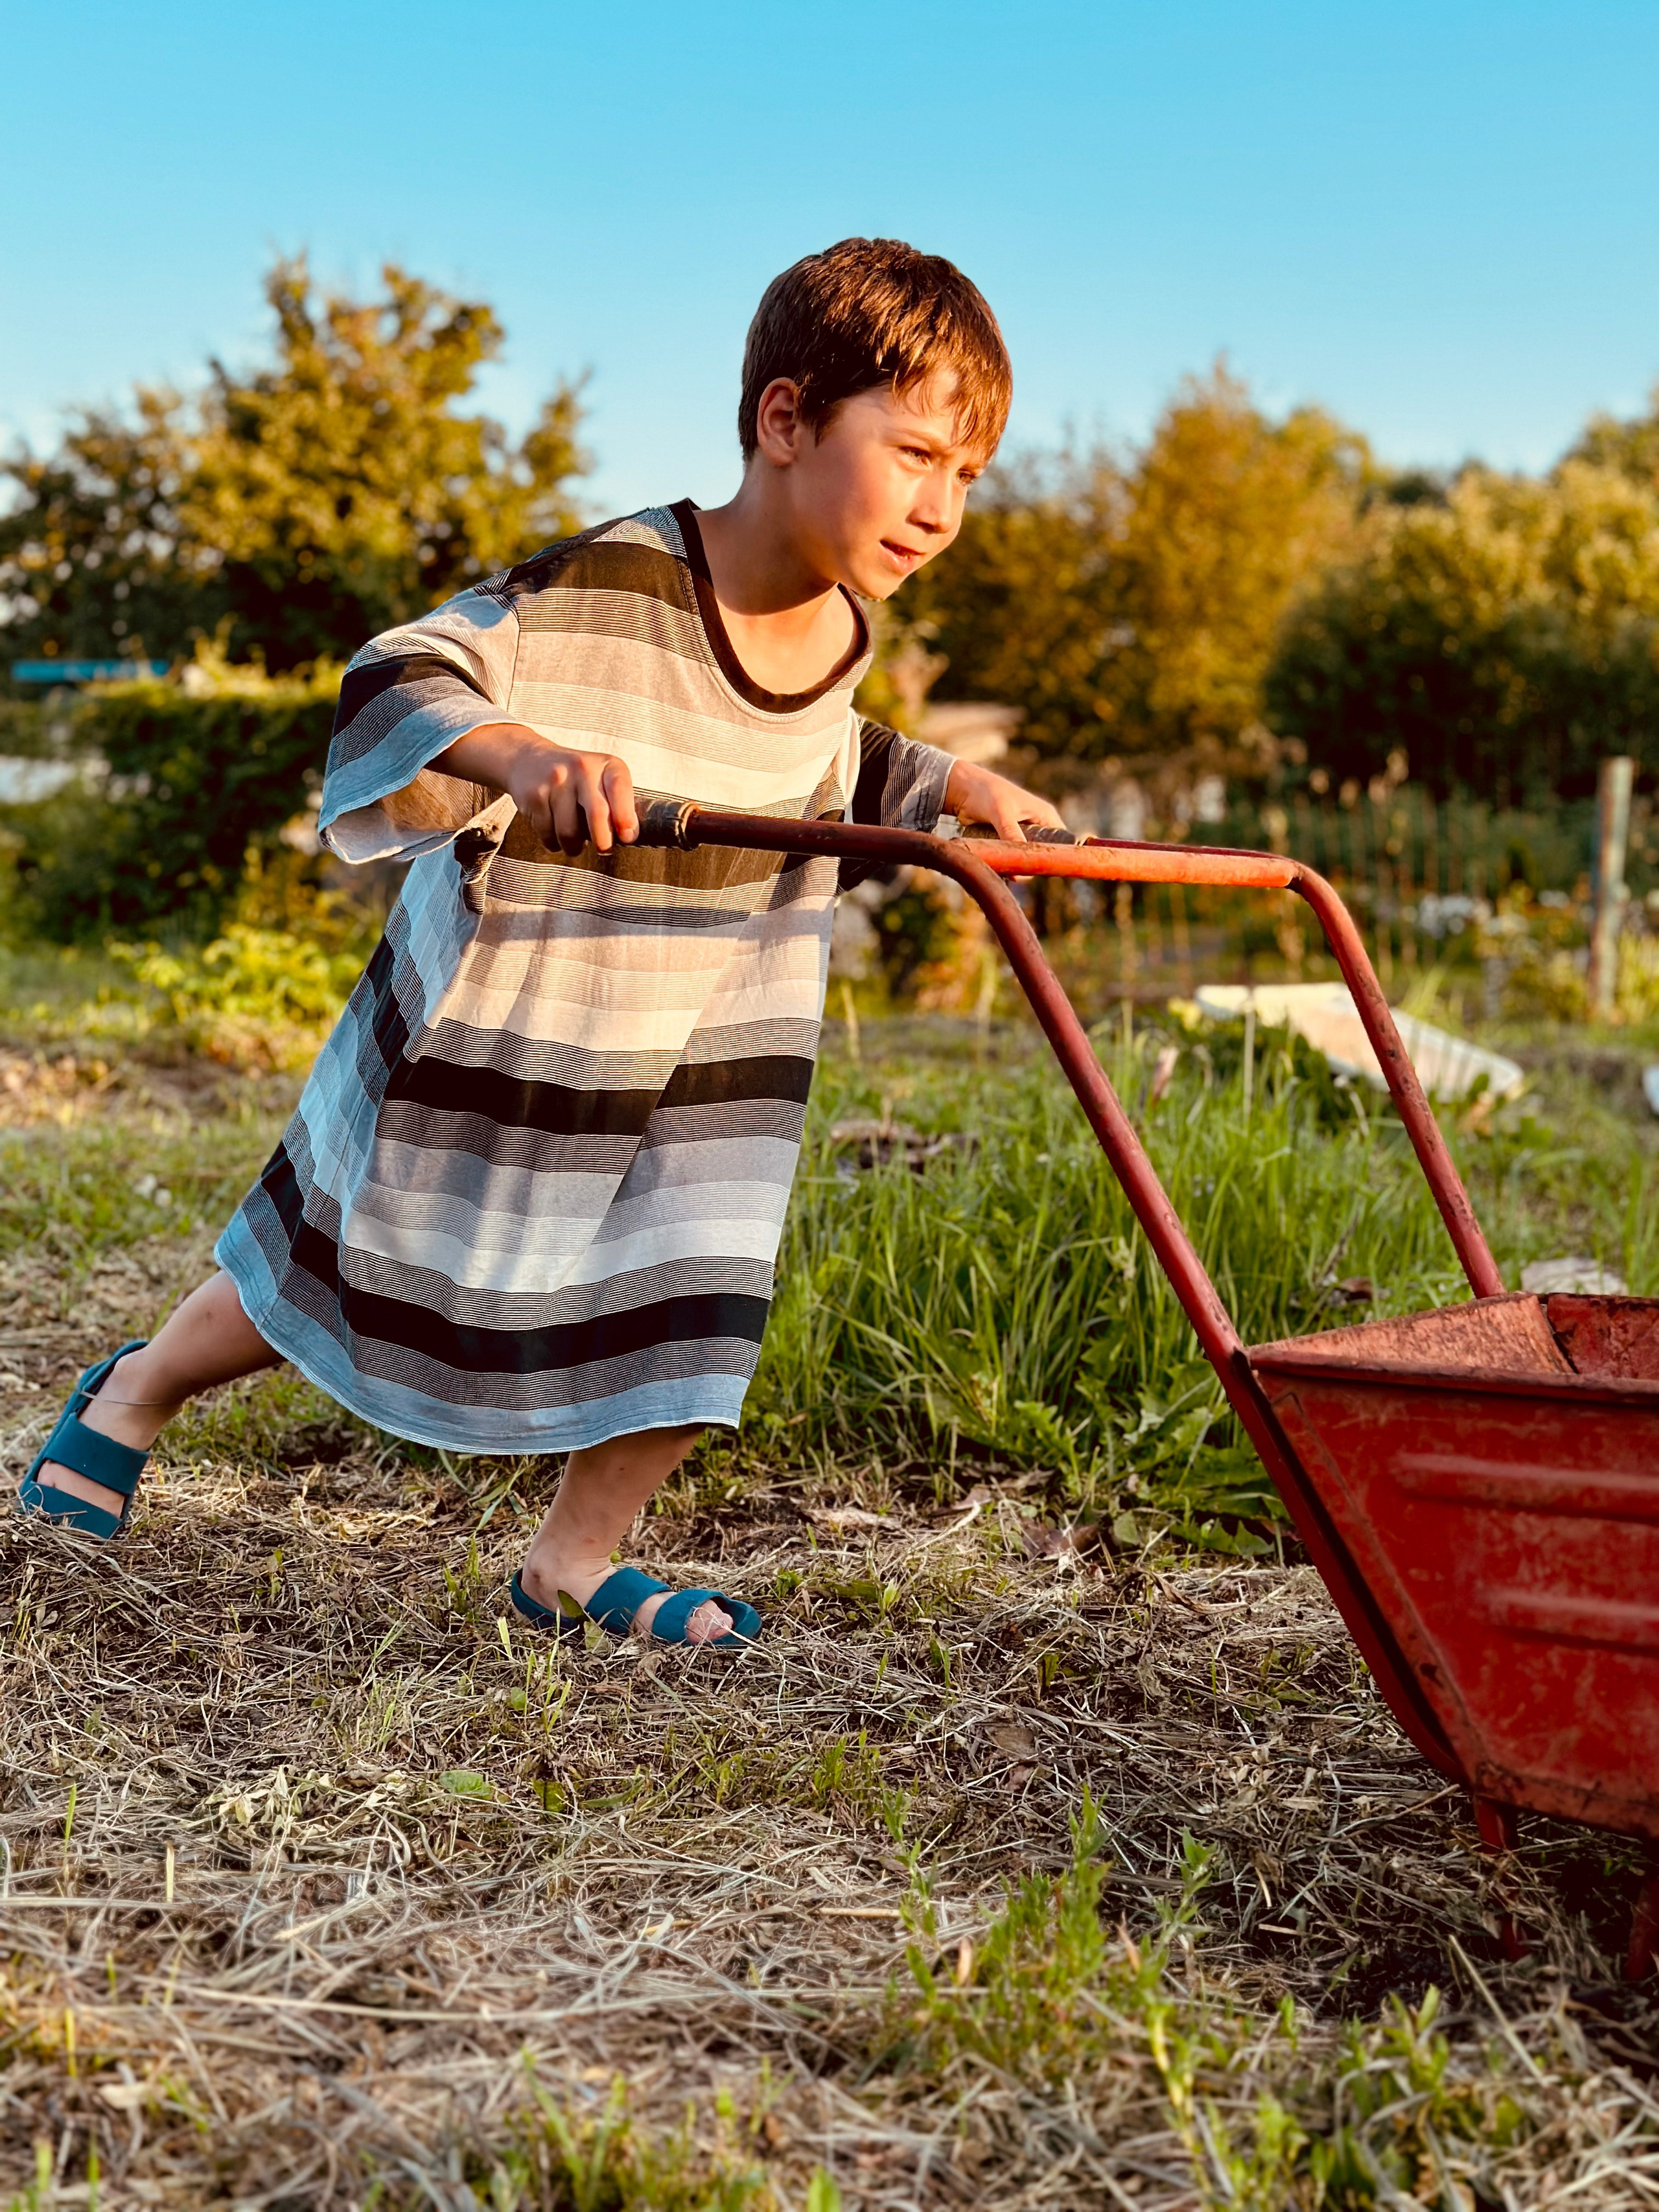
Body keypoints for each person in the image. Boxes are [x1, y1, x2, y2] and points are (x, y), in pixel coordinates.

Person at [20, 237, 1063, 1646]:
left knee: (695, 1301)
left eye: (968, 477)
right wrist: (521, 762)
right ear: (784, 419)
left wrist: (950, 788)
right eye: (917, 452)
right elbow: (404, 671)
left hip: (693, 1028)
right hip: (514, 1008)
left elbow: (817, 753)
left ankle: (572, 1562)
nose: (941, 507)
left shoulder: (844, 629)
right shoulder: (612, 578)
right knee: (346, 1256)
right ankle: (135, 1390)